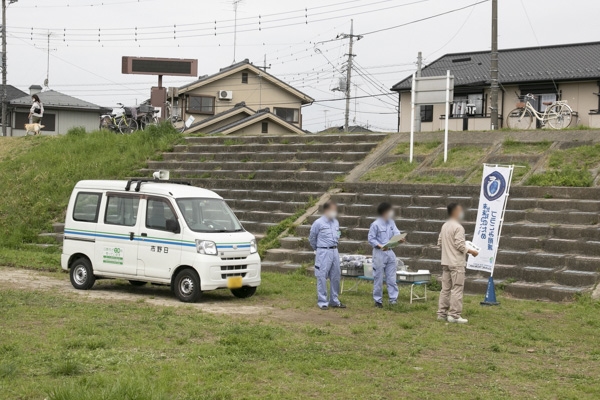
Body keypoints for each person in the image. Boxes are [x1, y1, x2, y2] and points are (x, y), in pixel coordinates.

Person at [437, 203, 479, 324]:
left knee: (445, 289)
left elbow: (439, 243)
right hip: (457, 263)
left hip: (445, 262)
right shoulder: (458, 227)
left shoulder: (444, 226)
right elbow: (460, 245)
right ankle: (454, 315)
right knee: (457, 288)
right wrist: (471, 251)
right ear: (455, 212)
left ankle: (442, 313)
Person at [308, 201, 346, 310]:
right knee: (322, 276)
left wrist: (337, 239)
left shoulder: (336, 222)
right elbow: (312, 238)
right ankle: (322, 301)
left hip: (334, 251)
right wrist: (317, 249)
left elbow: (338, 233)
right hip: (323, 251)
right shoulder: (318, 223)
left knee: (335, 276)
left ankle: (334, 300)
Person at [368, 202, 404, 308]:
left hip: (390, 251)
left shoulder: (391, 222)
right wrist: (380, 246)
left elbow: (397, 233)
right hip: (379, 253)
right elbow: (371, 239)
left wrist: (400, 239)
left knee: (391, 277)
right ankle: (378, 300)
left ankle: (393, 299)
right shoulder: (375, 224)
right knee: (378, 277)